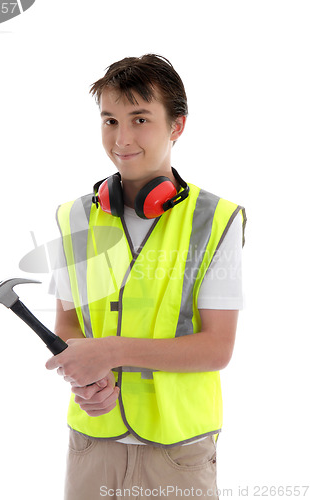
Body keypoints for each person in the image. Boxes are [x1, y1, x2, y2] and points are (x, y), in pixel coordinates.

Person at [46, 54, 246, 500]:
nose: (122, 138)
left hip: (179, 450)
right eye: (110, 120)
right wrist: (87, 380)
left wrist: (110, 353)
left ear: (177, 126)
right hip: (92, 442)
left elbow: (217, 347)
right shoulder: (76, 217)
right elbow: (70, 327)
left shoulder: (215, 220)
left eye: (140, 119)